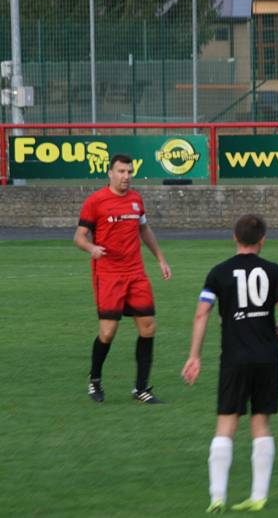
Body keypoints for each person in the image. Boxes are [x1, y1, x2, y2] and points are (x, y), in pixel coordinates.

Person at [182, 214, 278, 513]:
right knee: (261, 423)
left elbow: (201, 314)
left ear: (234, 236)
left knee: (226, 424)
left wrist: (194, 355)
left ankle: (217, 497)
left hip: (234, 358)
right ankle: (258, 497)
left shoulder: (218, 273)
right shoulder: (273, 270)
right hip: (267, 357)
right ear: (263, 240)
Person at [74, 153, 171, 404]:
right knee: (107, 332)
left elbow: (144, 229)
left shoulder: (136, 201)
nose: (126, 176)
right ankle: (95, 381)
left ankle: (141, 388)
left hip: (136, 273)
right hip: (108, 274)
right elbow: (79, 237)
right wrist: (91, 248)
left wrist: (160, 258)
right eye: (121, 172)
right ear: (110, 173)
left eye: (129, 172)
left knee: (148, 326)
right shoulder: (96, 202)